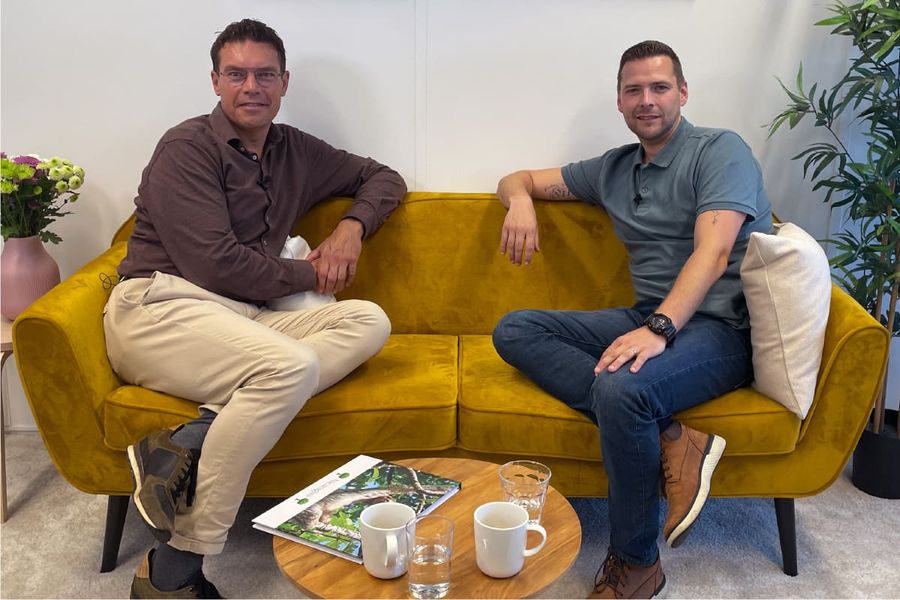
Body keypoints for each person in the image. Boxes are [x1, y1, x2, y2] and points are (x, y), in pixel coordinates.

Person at [104, 19, 406, 599]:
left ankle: (193, 437)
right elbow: (217, 265)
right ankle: (175, 568)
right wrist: (313, 272)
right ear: (215, 81)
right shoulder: (186, 148)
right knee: (290, 366)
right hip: (160, 306)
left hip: (240, 317)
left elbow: (383, 177)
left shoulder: (295, 149)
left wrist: (351, 228)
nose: (251, 87)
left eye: (265, 75)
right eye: (237, 74)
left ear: (284, 82)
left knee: (369, 320)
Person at [492, 40, 772, 599]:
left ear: (682, 93)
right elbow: (518, 178)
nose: (647, 100)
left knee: (623, 390)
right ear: (619, 101)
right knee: (515, 329)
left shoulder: (720, 151)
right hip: (646, 315)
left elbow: (714, 251)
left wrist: (659, 330)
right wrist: (519, 201)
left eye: (660, 87)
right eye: (634, 90)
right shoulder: (613, 168)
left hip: (721, 329)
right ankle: (674, 436)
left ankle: (637, 562)